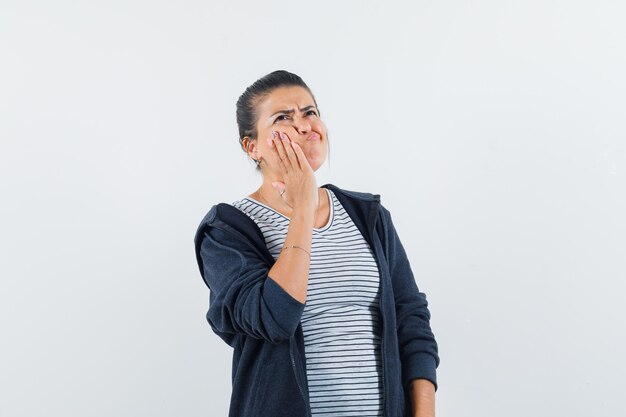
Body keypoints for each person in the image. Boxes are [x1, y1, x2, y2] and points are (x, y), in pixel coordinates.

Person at [193, 70, 440, 417]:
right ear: (252, 146)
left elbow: (410, 318)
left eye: (310, 112)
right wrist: (304, 206)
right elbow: (275, 317)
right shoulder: (228, 229)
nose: (305, 125)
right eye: (283, 117)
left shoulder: (367, 215)